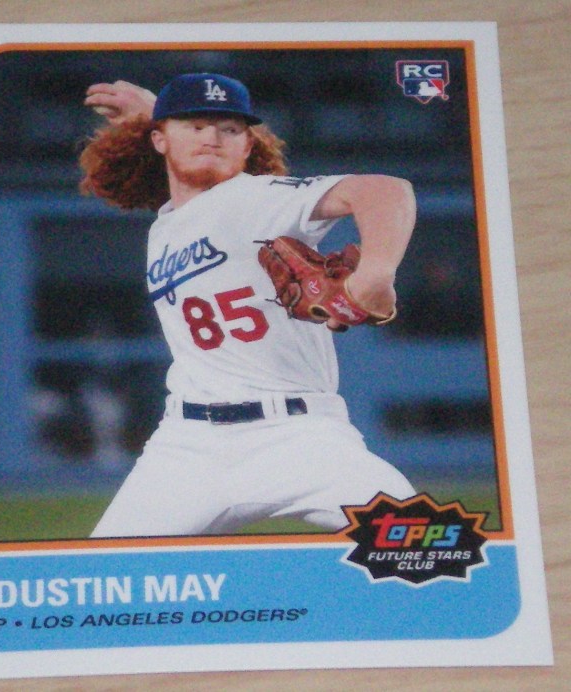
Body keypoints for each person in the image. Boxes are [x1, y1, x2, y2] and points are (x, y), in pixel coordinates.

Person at [79, 73, 417, 537]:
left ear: (248, 145)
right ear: (158, 139)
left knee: (424, 547)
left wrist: (376, 273)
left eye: (230, 129)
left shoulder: (261, 197)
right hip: (188, 446)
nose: (212, 138)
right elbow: (196, 190)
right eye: (195, 125)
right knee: (102, 570)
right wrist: (158, 110)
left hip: (299, 438)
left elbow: (385, 190)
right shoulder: (167, 224)